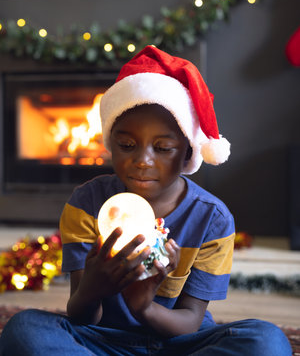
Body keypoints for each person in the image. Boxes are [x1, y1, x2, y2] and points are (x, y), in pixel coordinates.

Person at [0, 45, 291, 355]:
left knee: (267, 342)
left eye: (163, 148)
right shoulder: (87, 203)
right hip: (99, 339)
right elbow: (82, 316)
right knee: (24, 330)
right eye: (126, 145)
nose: (142, 160)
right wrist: (93, 288)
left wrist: (144, 308)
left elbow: (190, 320)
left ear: (188, 152)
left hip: (179, 342)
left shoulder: (212, 218)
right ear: (111, 144)